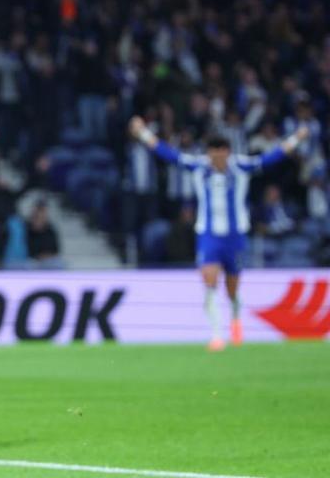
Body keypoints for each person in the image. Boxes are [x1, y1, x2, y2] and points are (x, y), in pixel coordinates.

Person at [129, 116, 308, 351]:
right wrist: (143, 133)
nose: (217, 156)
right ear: (209, 152)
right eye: (213, 151)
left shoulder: (241, 166)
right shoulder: (199, 166)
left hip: (236, 237)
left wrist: (296, 138)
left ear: (227, 151)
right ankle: (216, 336)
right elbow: (168, 154)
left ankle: (235, 319)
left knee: (232, 288)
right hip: (209, 236)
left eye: (221, 151)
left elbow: (272, 157)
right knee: (210, 281)